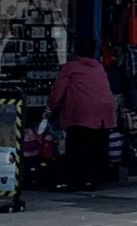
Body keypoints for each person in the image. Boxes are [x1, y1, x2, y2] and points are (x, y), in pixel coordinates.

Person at [49, 36, 119, 190]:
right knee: (96, 148)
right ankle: (92, 179)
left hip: (82, 114)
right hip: (105, 114)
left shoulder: (71, 67)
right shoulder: (98, 67)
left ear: (75, 50)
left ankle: (76, 180)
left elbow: (58, 91)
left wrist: (51, 106)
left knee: (77, 148)